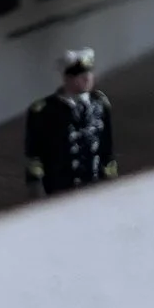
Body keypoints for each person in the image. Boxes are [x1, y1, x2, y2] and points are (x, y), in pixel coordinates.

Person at [24, 47, 117, 197]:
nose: (87, 78)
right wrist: (36, 186)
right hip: (60, 189)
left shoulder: (100, 103)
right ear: (66, 77)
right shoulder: (43, 111)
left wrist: (111, 180)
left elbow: (107, 148)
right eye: (79, 74)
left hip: (95, 187)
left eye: (89, 72)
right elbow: (34, 154)